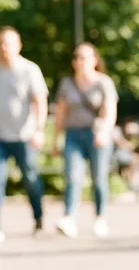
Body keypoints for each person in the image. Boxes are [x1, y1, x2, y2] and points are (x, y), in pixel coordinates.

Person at [51, 43, 118, 238]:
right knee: (72, 176)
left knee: (98, 177)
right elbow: (61, 113)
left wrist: (104, 132)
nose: (81, 61)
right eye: (77, 57)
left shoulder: (103, 82)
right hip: (73, 134)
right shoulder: (67, 83)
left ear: (95, 61)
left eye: (85, 57)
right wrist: (56, 139)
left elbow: (110, 111)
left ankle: (100, 217)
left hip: (96, 134)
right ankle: (69, 217)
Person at [0, 26, 47, 243]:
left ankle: (38, 218)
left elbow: (40, 102)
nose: (3, 47)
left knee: (31, 179)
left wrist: (39, 130)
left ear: (18, 45)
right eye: (1, 42)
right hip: (1, 137)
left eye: (8, 42)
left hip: (24, 136)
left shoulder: (30, 70)